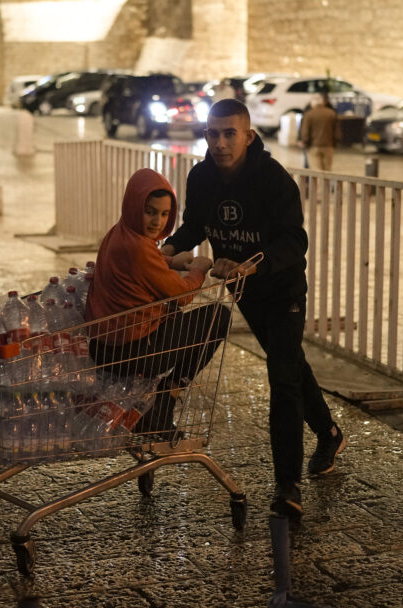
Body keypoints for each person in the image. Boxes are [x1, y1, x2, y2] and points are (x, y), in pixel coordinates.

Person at [160, 98, 344, 519]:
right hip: (244, 289)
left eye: (229, 134)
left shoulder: (273, 179)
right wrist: (165, 249)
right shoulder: (202, 176)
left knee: (282, 378)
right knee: (290, 363)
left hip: (281, 289)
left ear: (248, 135)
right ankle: (329, 433)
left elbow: (295, 241)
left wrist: (253, 264)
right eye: (213, 133)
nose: (221, 143)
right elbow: (194, 224)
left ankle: (287, 484)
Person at [86, 168, 228, 440]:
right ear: (133, 206)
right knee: (216, 317)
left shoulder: (119, 233)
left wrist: (171, 261)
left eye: (164, 214)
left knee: (179, 321)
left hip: (105, 346)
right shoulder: (140, 248)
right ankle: (166, 398)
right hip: (135, 349)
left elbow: (144, 265)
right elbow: (181, 293)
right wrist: (197, 269)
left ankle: (158, 410)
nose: (157, 221)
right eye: (150, 211)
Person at [298, 93, 341, 170]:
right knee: (327, 170)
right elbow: (337, 131)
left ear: (312, 103)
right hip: (329, 146)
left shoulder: (309, 114)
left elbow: (305, 133)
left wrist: (304, 142)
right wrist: (335, 143)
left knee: (316, 171)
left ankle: (318, 183)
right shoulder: (331, 113)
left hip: (313, 147)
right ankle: (326, 183)